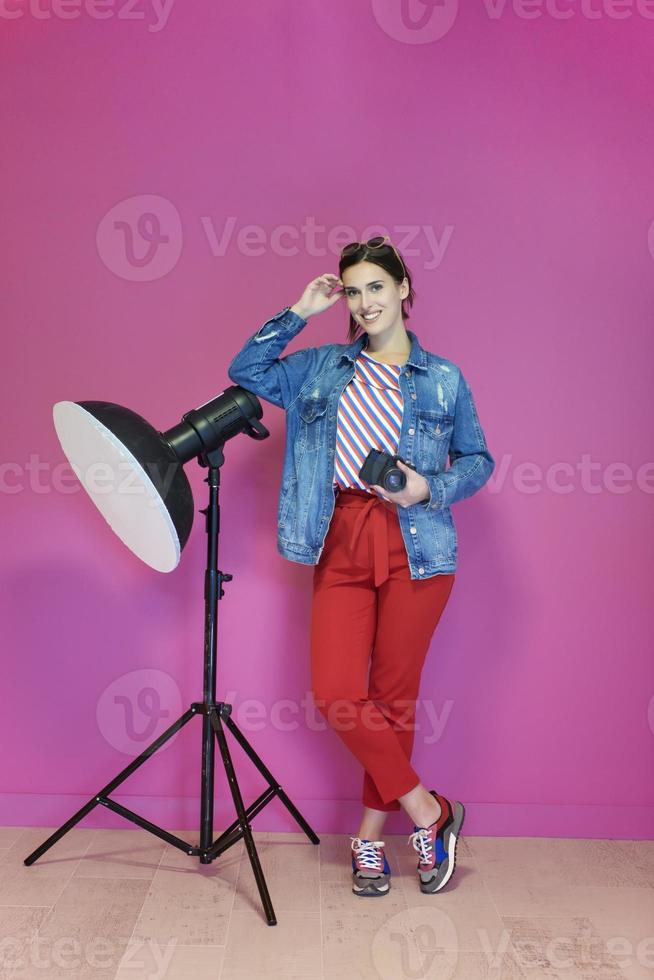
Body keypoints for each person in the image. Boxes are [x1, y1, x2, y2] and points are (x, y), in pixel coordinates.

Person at [227, 236, 495, 898]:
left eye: (377, 285)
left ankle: (371, 838)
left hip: (418, 541)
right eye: (354, 289)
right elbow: (248, 371)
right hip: (340, 533)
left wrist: (426, 487)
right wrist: (299, 309)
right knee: (339, 692)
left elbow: (479, 459)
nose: (365, 300)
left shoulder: (443, 378)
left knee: (395, 699)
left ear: (404, 289)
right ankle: (431, 812)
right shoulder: (320, 366)